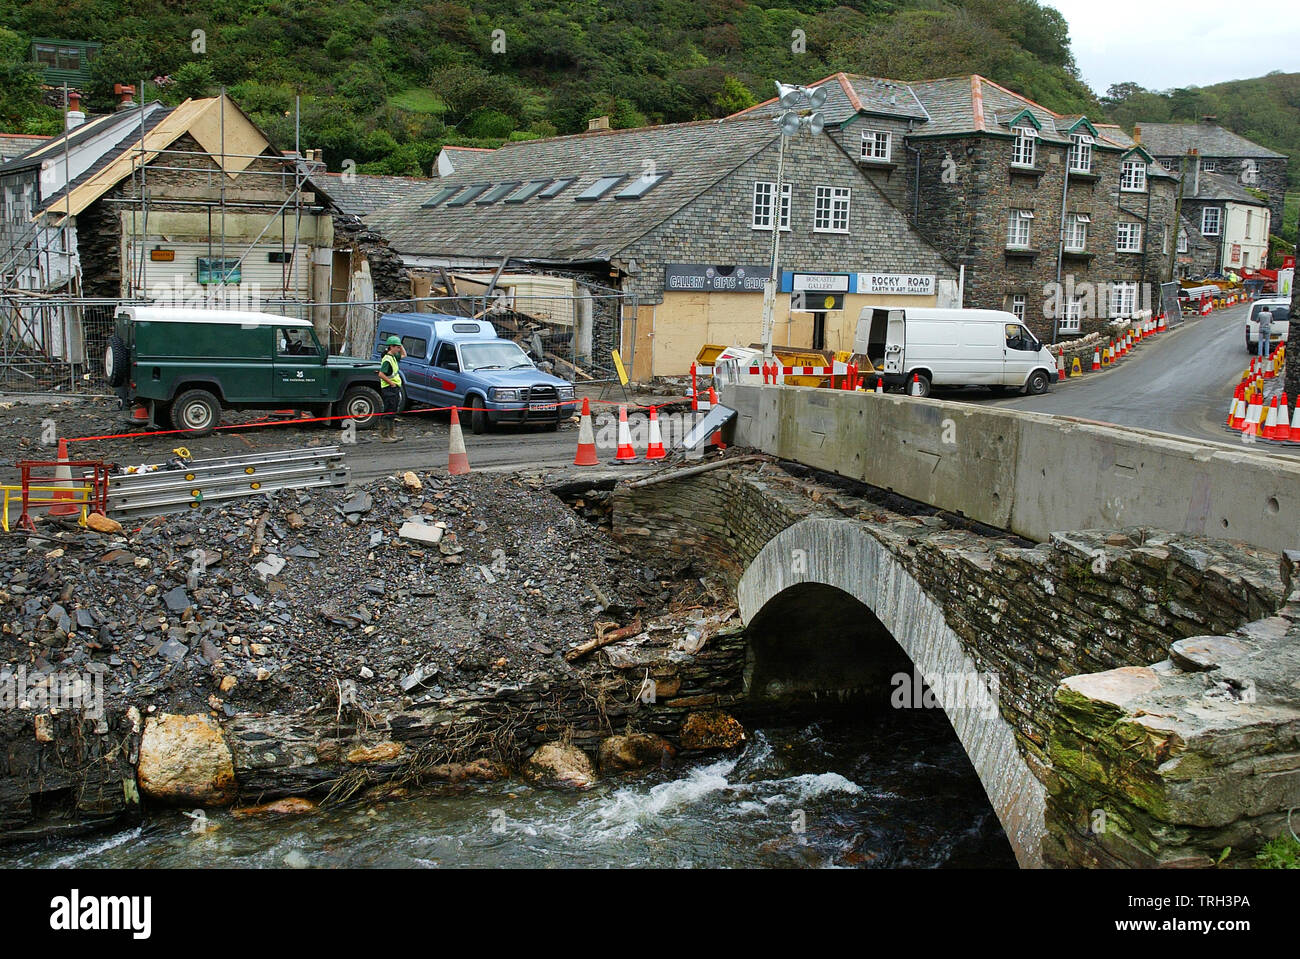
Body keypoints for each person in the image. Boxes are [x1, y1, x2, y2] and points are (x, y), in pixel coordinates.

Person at [377, 335, 406, 442]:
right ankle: (385, 436)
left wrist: (400, 343)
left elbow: (404, 354)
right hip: (389, 388)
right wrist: (391, 383)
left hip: (393, 388)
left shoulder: (393, 357)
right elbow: (381, 374)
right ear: (391, 347)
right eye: (397, 347)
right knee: (388, 411)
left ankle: (391, 434)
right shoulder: (387, 360)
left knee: (393, 411)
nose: (399, 349)